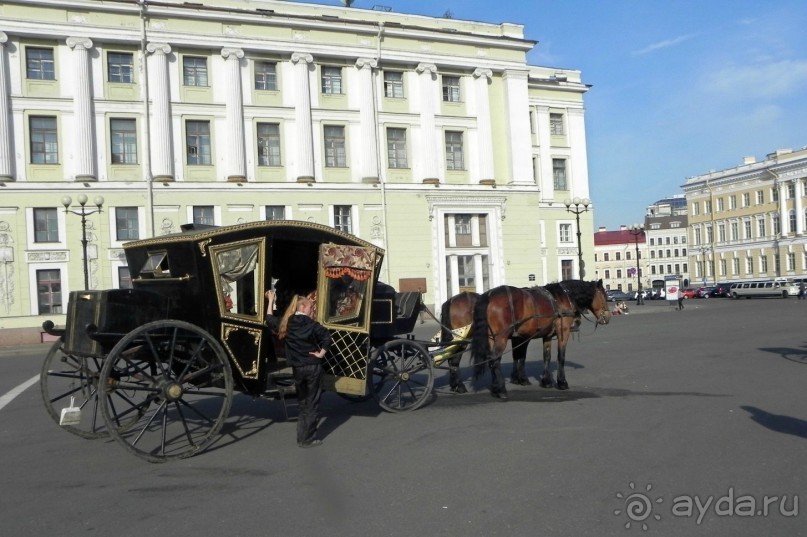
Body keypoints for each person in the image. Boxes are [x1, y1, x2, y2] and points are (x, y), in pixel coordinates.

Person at [265, 290, 331, 448]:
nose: (312, 310)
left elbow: (269, 319)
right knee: (312, 403)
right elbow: (327, 337)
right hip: (312, 366)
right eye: (310, 307)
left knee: (302, 403)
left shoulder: (287, 322)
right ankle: (308, 439)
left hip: (298, 368)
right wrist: (321, 354)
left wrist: (271, 300)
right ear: (302, 306)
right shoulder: (311, 324)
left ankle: (301, 437)